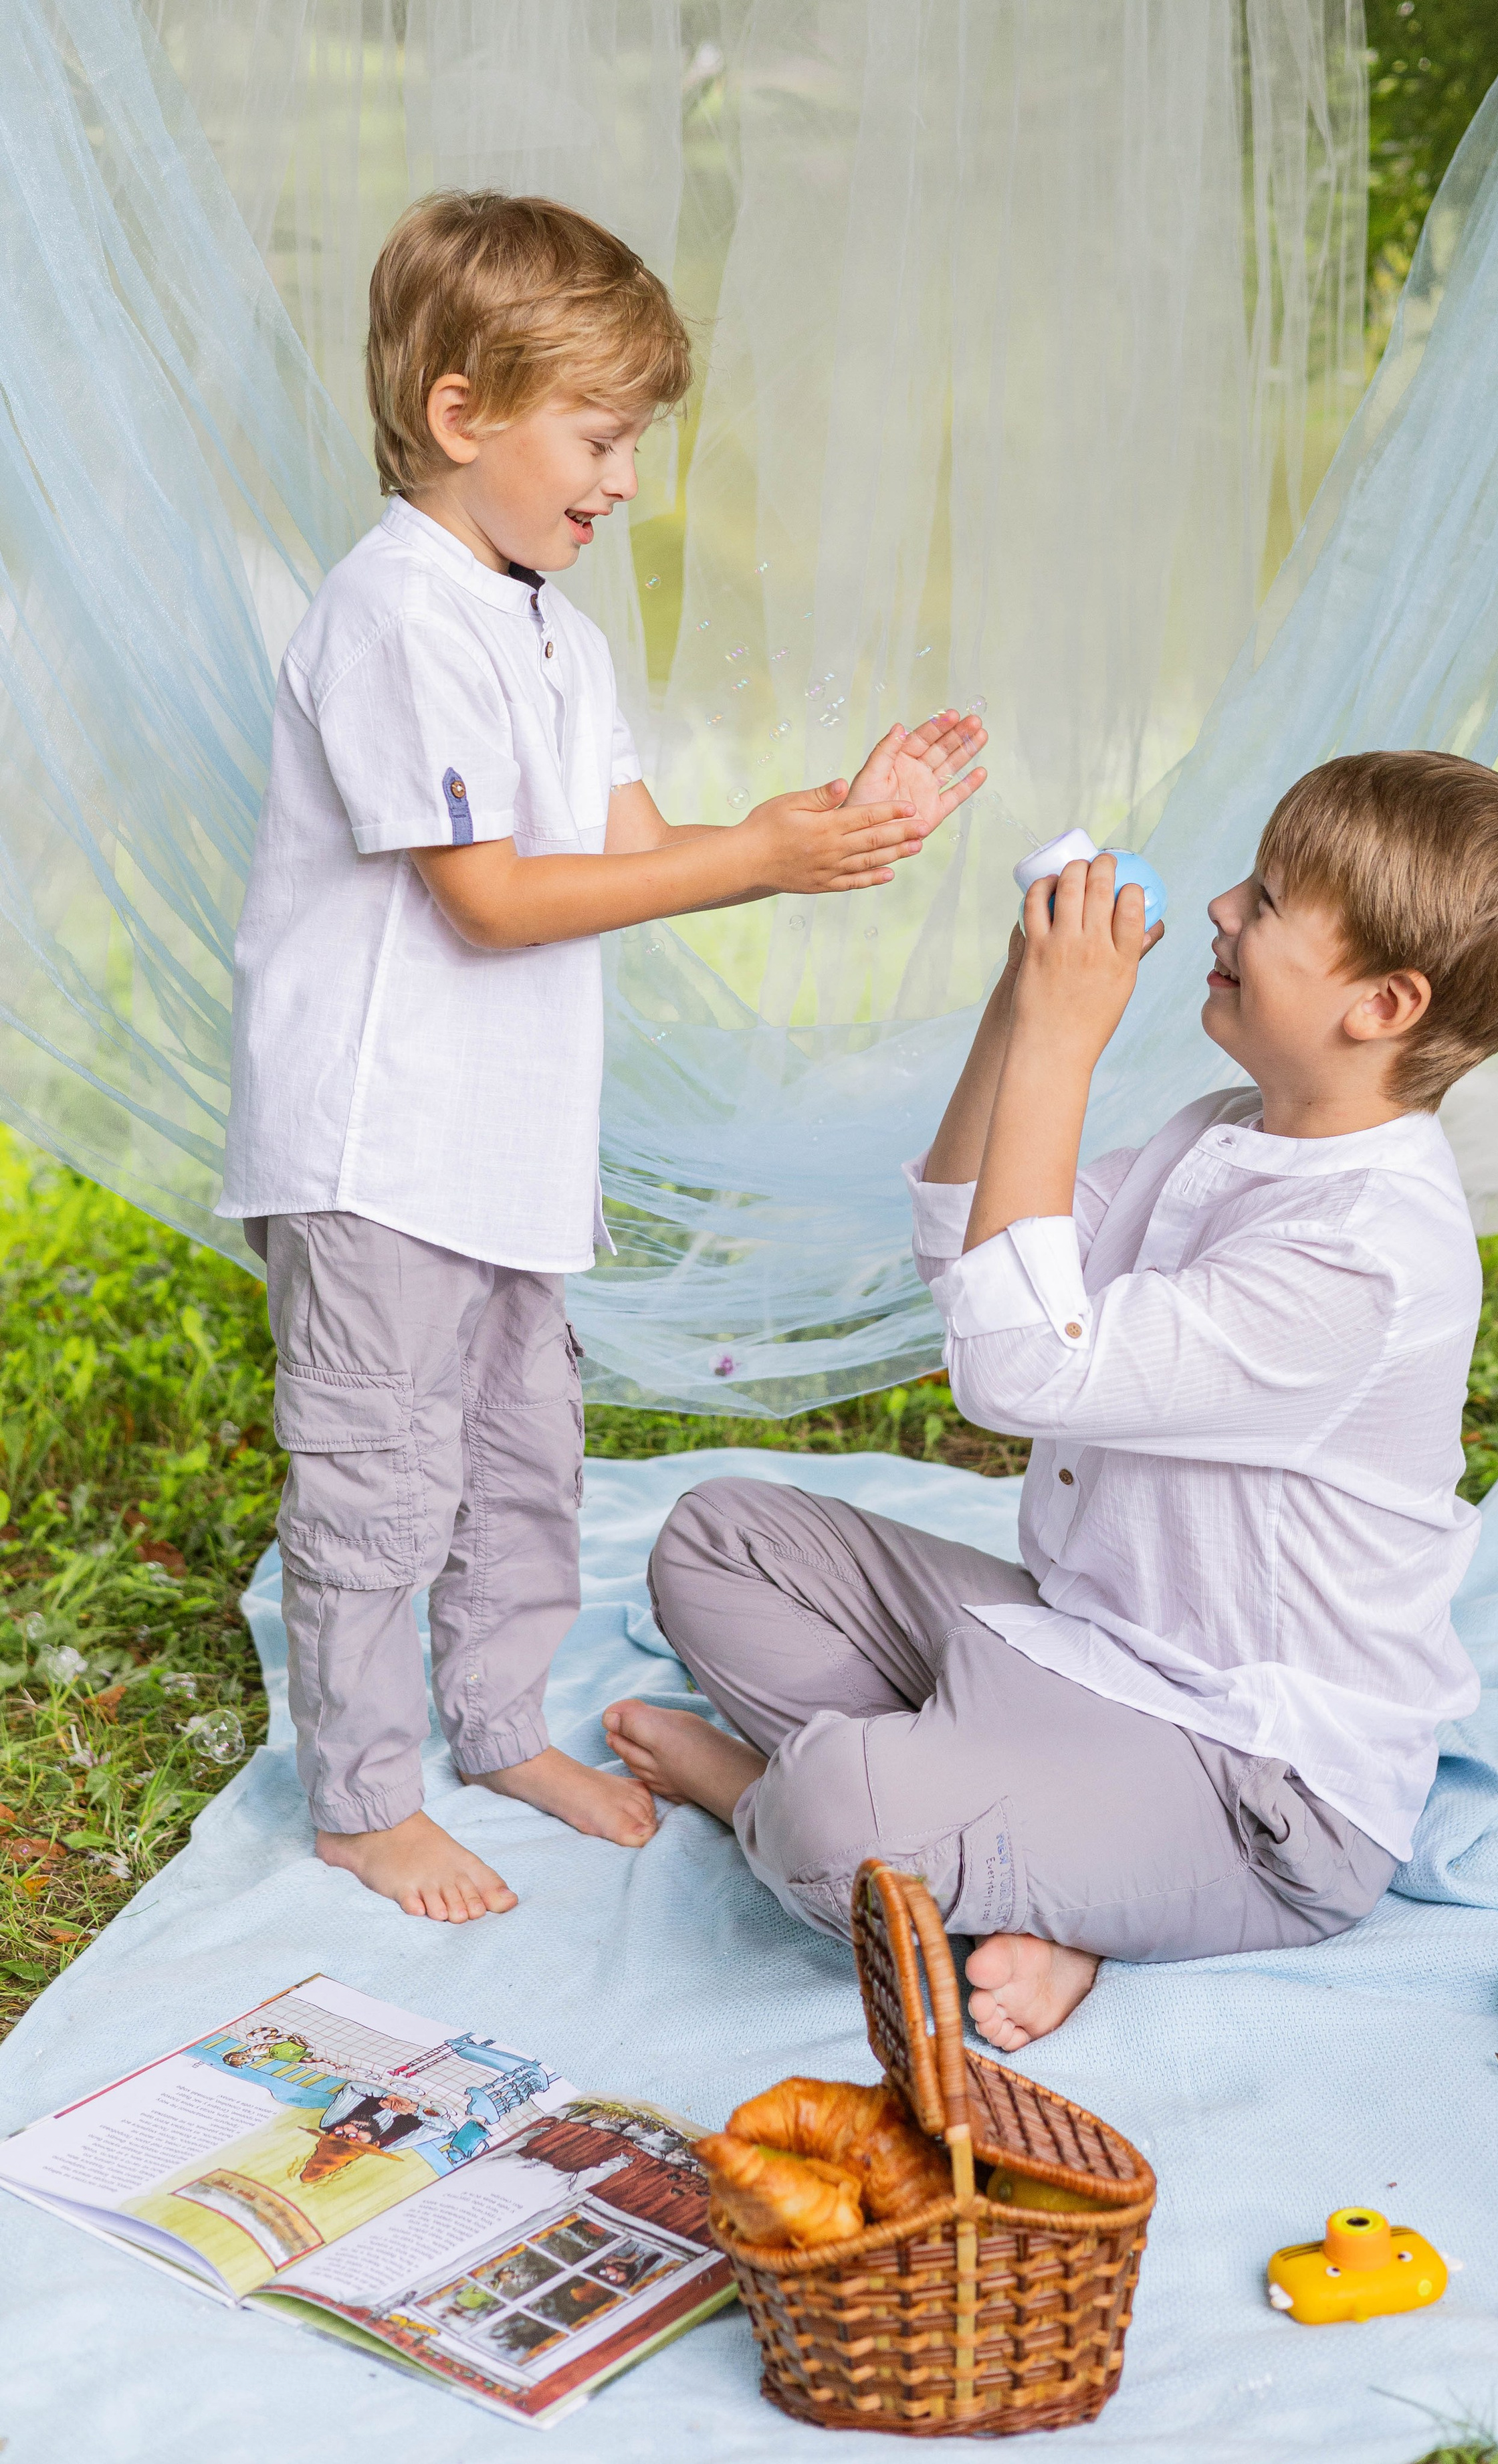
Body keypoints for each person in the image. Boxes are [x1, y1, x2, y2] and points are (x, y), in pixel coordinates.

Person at [219, 191, 986, 1924]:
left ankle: (492, 1726)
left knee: (520, 1459)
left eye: (634, 439)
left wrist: (825, 826)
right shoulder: (396, 618)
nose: (626, 476)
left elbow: (633, 844)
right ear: (461, 413)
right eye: (599, 433)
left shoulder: (549, 625)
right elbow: (493, 900)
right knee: (380, 1481)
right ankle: (359, 1797)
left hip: (498, 1152)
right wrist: (762, 853)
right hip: (375, 1150)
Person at [605, 752, 1498, 2046]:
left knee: (830, 1816)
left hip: (1252, 1781)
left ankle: (794, 1806)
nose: (1225, 909)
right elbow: (966, 1244)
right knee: (723, 1538)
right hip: (1086, 1641)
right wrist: (1022, 1011)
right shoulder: (1224, 1129)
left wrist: (1071, 1043)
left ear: (1383, 1003)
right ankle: (1046, 1864)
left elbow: (1019, 1369)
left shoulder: (1366, 1256)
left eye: (1273, 900)